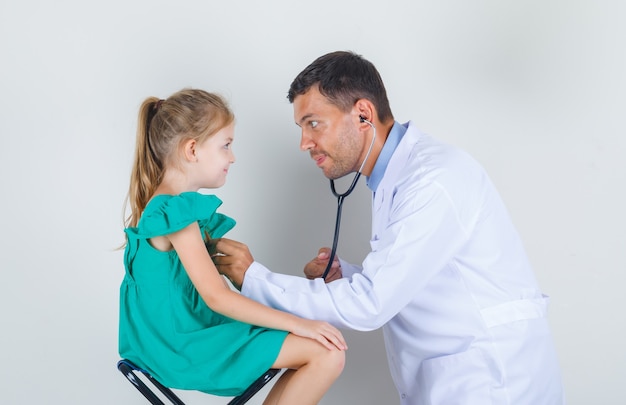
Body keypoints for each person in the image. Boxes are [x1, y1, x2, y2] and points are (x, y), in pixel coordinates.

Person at [213, 52, 566, 404]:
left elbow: (372, 303)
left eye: (313, 123)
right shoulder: (392, 179)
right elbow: (414, 279)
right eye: (301, 128)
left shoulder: (433, 180)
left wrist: (254, 279)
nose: (304, 142)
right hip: (460, 377)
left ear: (363, 114)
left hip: (493, 381)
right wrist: (345, 276)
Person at [118, 88, 346, 405]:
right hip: (179, 347)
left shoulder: (167, 209)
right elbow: (217, 297)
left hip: (179, 340)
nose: (232, 156)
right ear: (192, 149)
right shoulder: (174, 213)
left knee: (323, 350)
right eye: (226, 145)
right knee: (326, 353)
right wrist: (300, 323)